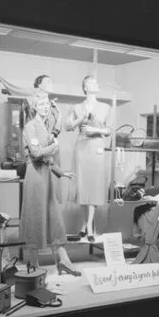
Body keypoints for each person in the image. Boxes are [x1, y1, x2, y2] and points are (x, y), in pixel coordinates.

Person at [20, 93, 81, 276]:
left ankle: (64, 262)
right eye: (41, 104)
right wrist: (53, 148)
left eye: (47, 104)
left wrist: (61, 172)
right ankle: (34, 265)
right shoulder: (30, 127)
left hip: (47, 175)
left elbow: (47, 159)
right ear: (34, 107)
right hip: (35, 178)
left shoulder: (45, 127)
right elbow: (37, 152)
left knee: (55, 219)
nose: (45, 107)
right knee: (35, 218)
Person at [64, 75, 112, 242]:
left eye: (96, 82)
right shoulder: (77, 107)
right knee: (83, 187)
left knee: (94, 186)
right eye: (90, 82)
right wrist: (81, 119)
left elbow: (109, 130)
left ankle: (89, 226)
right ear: (84, 87)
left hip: (97, 147)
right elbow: (67, 126)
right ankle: (85, 227)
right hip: (82, 147)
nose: (95, 84)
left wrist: (94, 129)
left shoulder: (105, 107)